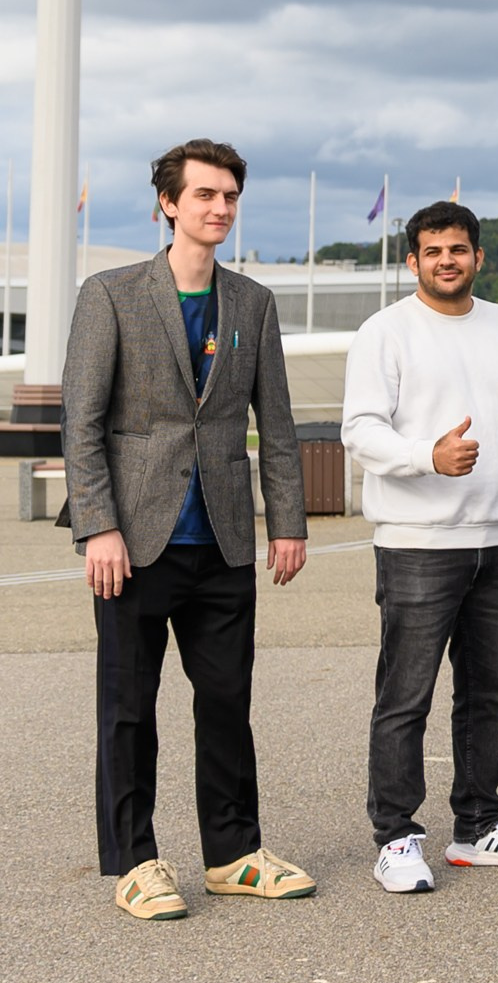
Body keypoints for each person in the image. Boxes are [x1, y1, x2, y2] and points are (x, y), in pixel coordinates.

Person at [66, 139, 313, 921]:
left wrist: (290, 521)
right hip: (134, 540)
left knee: (226, 701)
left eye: (230, 196)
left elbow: (274, 424)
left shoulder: (252, 302)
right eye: (204, 195)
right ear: (167, 204)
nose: (220, 208)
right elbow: (83, 422)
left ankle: (234, 853)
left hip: (224, 539)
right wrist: (97, 525)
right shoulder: (110, 293)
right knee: (130, 706)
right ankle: (133, 860)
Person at [343, 199, 498, 894]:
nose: (446, 260)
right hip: (416, 543)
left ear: (477, 256)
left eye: (458, 249)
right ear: (412, 260)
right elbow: (360, 430)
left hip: (497, 538)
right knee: (405, 697)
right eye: (432, 250)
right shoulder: (385, 331)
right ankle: (397, 836)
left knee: (489, 693)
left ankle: (478, 824)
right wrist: (427, 456)